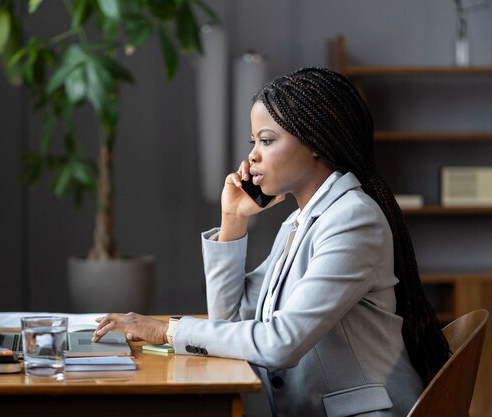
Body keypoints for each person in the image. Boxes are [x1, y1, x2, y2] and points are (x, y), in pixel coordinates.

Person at [93, 67, 450, 417]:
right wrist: (233, 220)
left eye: (266, 140)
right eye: (254, 143)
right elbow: (229, 320)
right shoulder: (301, 220)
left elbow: (280, 343)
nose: (252, 157)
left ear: (315, 142)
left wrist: (164, 330)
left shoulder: (353, 220)